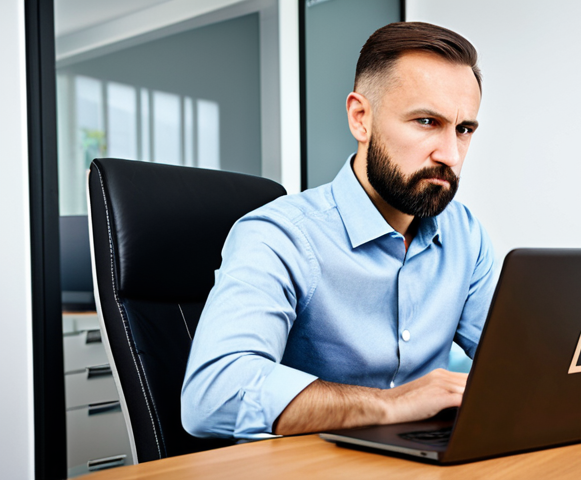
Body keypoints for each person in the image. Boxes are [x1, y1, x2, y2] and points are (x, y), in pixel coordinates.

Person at [181, 21, 497, 438]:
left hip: (423, 461)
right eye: (425, 121)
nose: (451, 154)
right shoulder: (279, 236)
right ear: (360, 118)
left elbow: (519, 360)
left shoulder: (464, 234)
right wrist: (392, 404)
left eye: (464, 129)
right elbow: (211, 397)